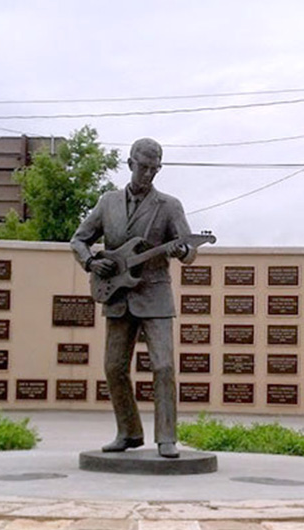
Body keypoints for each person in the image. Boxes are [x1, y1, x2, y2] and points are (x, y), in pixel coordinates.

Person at [70, 137, 196, 459]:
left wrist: (184, 250)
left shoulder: (169, 205)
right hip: (116, 295)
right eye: (143, 167)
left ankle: (166, 437)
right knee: (113, 367)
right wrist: (91, 262)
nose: (148, 174)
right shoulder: (107, 202)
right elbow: (79, 239)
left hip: (155, 294)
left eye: (154, 169)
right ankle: (128, 432)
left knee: (164, 365)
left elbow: (189, 248)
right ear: (130, 164)